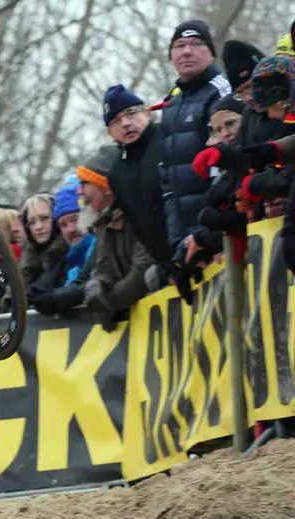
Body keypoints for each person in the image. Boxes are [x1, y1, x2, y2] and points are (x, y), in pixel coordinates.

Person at [160, 20, 231, 270]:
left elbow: (225, 169)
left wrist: (205, 234)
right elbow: (167, 183)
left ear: (211, 53)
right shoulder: (170, 106)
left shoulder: (222, 91)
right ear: (171, 56)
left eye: (196, 44)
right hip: (188, 246)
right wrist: (178, 244)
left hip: (219, 239)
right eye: (179, 45)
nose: (187, 51)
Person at [80, 145, 154, 329]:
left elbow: (142, 270)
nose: (79, 192)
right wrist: (97, 285)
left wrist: (109, 302)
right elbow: (105, 269)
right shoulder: (103, 224)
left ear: (106, 186)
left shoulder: (138, 213)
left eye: (85, 183)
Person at [104, 85, 172, 274]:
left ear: (147, 113)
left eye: (131, 113)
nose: (125, 123)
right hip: (170, 265)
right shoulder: (116, 174)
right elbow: (138, 228)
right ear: (110, 133)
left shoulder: (169, 138)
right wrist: (166, 265)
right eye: (116, 121)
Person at [29, 183, 97, 316]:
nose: (71, 229)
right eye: (63, 224)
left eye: (75, 219)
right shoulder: (71, 265)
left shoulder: (102, 248)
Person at [18, 192, 66, 288]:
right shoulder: (27, 259)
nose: (38, 227)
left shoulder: (69, 253)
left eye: (44, 218)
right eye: (32, 222)